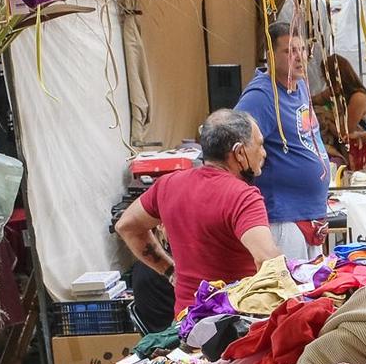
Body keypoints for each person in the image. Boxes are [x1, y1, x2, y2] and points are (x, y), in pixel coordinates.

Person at [115, 109, 282, 318]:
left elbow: (126, 226)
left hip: (187, 322)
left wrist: (169, 271)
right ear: (239, 153)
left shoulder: (168, 184)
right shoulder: (243, 197)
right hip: (233, 325)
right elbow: (267, 260)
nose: (264, 152)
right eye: (259, 144)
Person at [234, 21, 331, 260]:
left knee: (312, 292)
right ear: (270, 55)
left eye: (302, 50)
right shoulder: (261, 96)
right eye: (289, 51)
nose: (299, 57)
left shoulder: (299, 86)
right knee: (290, 292)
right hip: (281, 218)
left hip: (308, 214)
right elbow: (234, 145)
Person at [312, 54, 366, 170]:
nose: (326, 82)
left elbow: (344, 133)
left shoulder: (358, 98)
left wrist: (326, 119)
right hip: (348, 152)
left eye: (326, 77)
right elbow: (313, 100)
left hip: (361, 153)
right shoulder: (335, 93)